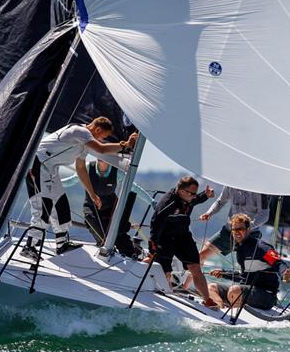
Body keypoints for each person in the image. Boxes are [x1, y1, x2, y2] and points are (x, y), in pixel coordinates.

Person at [22, 117, 138, 259]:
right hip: (38, 166)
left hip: (50, 170)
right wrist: (125, 144)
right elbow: (101, 149)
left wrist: (92, 194)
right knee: (43, 206)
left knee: (61, 204)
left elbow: (81, 168)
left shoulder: (84, 143)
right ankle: (29, 246)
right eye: (103, 136)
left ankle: (61, 243)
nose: (102, 140)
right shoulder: (80, 131)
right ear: (98, 129)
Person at [149, 176, 219, 307]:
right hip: (165, 238)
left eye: (195, 193)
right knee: (166, 271)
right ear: (182, 192)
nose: (194, 196)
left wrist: (205, 195)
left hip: (183, 237)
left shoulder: (188, 197)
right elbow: (155, 225)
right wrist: (152, 249)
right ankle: (167, 295)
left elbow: (195, 200)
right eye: (192, 193)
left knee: (196, 268)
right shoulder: (167, 203)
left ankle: (207, 300)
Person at [207, 214, 290, 310]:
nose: (237, 232)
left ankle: (234, 315)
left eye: (240, 229)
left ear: (248, 229)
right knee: (210, 288)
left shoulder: (261, 247)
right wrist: (223, 273)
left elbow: (279, 264)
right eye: (234, 229)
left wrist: (285, 275)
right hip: (245, 291)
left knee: (234, 290)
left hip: (266, 295)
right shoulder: (240, 249)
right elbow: (244, 276)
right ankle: (220, 309)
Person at [197, 187, 269, 266]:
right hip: (229, 231)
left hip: (249, 234)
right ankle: (193, 278)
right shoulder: (230, 185)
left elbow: (264, 215)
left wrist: (247, 227)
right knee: (200, 257)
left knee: (247, 266)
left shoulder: (260, 190)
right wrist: (209, 213)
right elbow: (220, 202)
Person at [82, 159, 140, 257]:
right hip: (92, 209)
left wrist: (152, 201)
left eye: (104, 155)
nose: (100, 157)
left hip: (110, 209)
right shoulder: (89, 167)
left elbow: (134, 188)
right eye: (99, 154)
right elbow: (72, 180)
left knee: (120, 232)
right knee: (103, 237)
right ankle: (108, 247)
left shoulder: (116, 171)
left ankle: (131, 251)